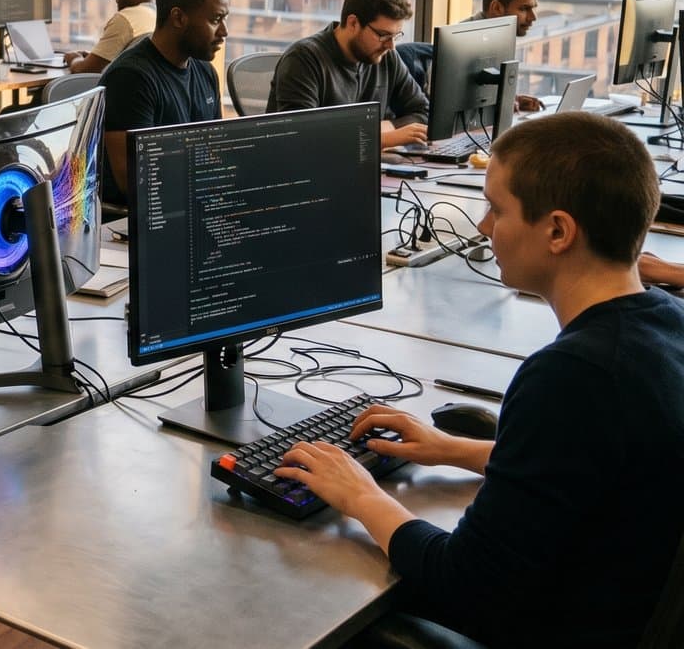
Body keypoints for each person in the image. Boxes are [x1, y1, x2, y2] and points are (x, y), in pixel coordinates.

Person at [273, 113, 684, 647]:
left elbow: (463, 583)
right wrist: (455, 449)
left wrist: (360, 495)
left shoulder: (572, 376)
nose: (485, 227)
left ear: (558, 230)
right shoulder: (665, 323)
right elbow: (592, 466)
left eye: (497, 209)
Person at [97, 0, 226, 205]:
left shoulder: (206, 72)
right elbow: (135, 181)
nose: (224, 32)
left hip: (189, 202)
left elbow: (215, 153)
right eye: (215, 20)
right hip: (135, 217)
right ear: (178, 18)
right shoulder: (130, 78)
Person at [269, 0, 431, 151]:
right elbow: (301, 137)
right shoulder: (303, 59)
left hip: (366, 167)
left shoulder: (386, 56)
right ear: (353, 23)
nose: (390, 45)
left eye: (395, 36)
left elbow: (423, 112)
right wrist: (381, 139)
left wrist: (382, 128)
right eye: (383, 35)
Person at [399, 0, 543, 111]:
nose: (533, 17)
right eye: (524, 9)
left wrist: (513, 99)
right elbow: (438, 101)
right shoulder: (459, 40)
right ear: (497, 8)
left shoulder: (500, 38)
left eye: (534, 8)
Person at [67, 0, 161, 74]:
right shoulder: (159, 14)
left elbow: (83, 69)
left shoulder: (127, 18)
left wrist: (73, 58)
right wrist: (96, 56)